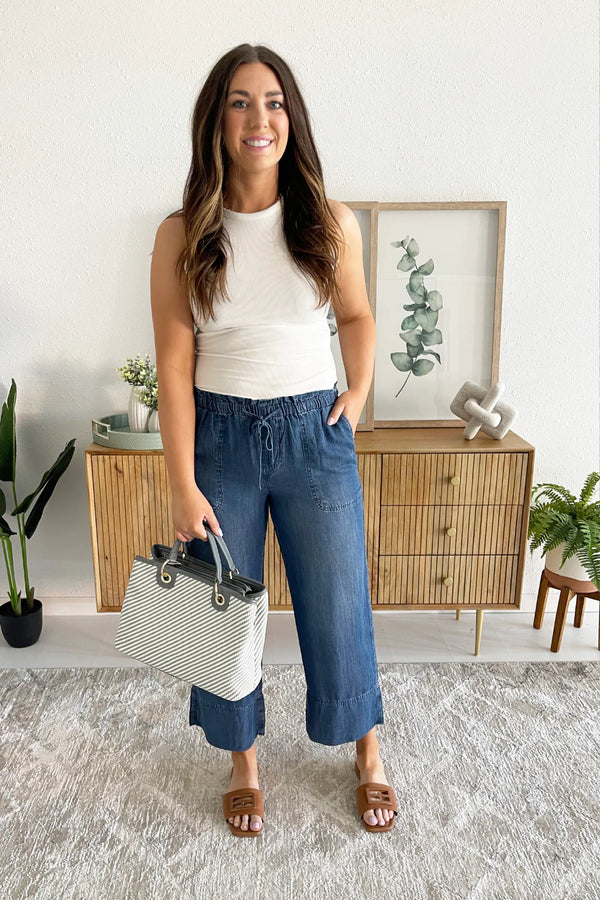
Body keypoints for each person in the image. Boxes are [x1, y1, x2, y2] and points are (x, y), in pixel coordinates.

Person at [149, 43, 398, 836]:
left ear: (292, 118)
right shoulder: (181, 234)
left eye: (274, 101)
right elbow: (174, 364)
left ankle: (368, 753)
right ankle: (243, 763)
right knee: (218, 611)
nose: (259, 118)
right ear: (216, 122)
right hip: (219, 436)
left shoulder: (328, 221)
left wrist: (356, 392)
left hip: (314, 434)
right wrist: (181, 482)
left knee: (339, 601)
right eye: (240, 102)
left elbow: (356, 316)